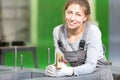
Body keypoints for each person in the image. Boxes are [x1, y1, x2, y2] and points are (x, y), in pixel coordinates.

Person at [45, 0, 113, 80]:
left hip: (99, 76)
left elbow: (90, 66)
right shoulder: (58, 32)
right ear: (65, 12)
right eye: (69, 12)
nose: (72, 18)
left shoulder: (92, 32)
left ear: (85, 17)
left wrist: (69, 71)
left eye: (78, 14)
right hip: (80, 76)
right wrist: (54, 69)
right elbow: (60, 62)